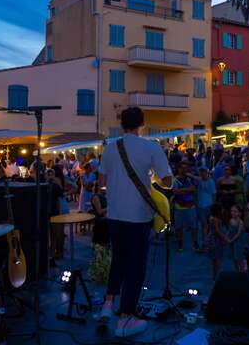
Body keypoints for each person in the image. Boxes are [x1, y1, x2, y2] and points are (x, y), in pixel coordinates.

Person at [98, 107, 172, 337]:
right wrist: (152, 177)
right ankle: (126, 319)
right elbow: (168, 182)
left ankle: (108, 305)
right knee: (136, 266)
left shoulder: (110, 147)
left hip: (115, 215)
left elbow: (101, 182)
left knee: (118, 259)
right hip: (139, 216)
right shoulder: (151, 147)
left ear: (122, 124)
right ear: (142, 123)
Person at [172, 161, 199, 252]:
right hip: (179, 208)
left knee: (193, 227)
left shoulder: (190, 178)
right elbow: (175, 192)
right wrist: (188, 190)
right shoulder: (174, 180)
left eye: (185, 168)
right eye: (181, 168)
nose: (183, 170)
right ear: (178, 169)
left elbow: (194, 189)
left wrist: (182, 190)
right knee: (179, 227)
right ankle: (180, 243)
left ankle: (195, 243)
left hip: (191, 207)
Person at [206, 203, 229, 280]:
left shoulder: (211, 217)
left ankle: (215, 275)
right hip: (215, 240)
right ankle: (217, 275)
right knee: (218, 258)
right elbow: (217, 231)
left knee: (214, 259)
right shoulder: (215, 219)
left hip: (211, 239)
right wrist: (224, 238)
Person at [195, 166, 216, 249]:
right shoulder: (199, 180)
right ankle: (205, 242)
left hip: (209, 205)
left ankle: (209, 241)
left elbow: (214, 194)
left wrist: (213, 206)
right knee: (204, 225)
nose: (202, 173)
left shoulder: (211, 182)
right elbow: (193, 176)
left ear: (207, 172)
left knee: (209, 224)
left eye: (203, 171)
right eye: (201, 172)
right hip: (200, 206)